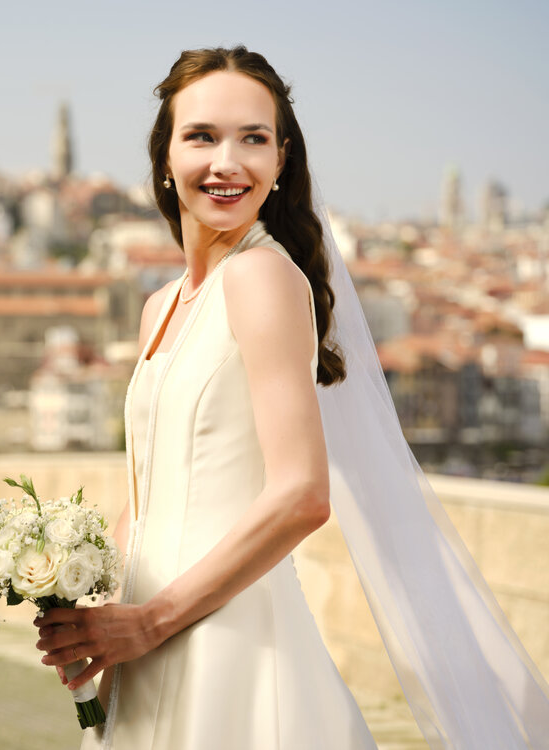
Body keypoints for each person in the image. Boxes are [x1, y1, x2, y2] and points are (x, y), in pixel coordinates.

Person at [34, 47, 549, 749]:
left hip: (225, 641)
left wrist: (152, 620)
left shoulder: (262, 278)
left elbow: (303, 494)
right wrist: (88, 603)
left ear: (280, 162)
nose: (228, 162)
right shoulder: (160, 306)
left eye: (253, 138)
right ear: (165, 158)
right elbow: (147, 493)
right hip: (141, 640)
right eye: (202, 136)